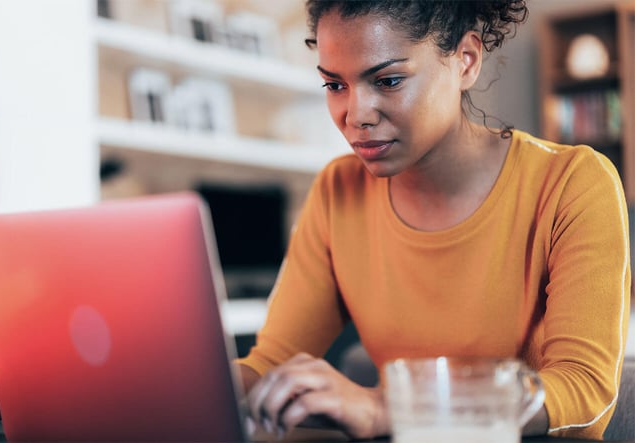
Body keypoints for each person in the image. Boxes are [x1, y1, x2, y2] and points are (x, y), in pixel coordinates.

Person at [236, 0, 631, 440]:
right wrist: (173, 384)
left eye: (387, 80)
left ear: (465, 61)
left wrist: (390, 409)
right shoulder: (337, 191)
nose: (355, 115)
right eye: (334, 85)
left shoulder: (571, 181)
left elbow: (587, 393)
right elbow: (271, 364)